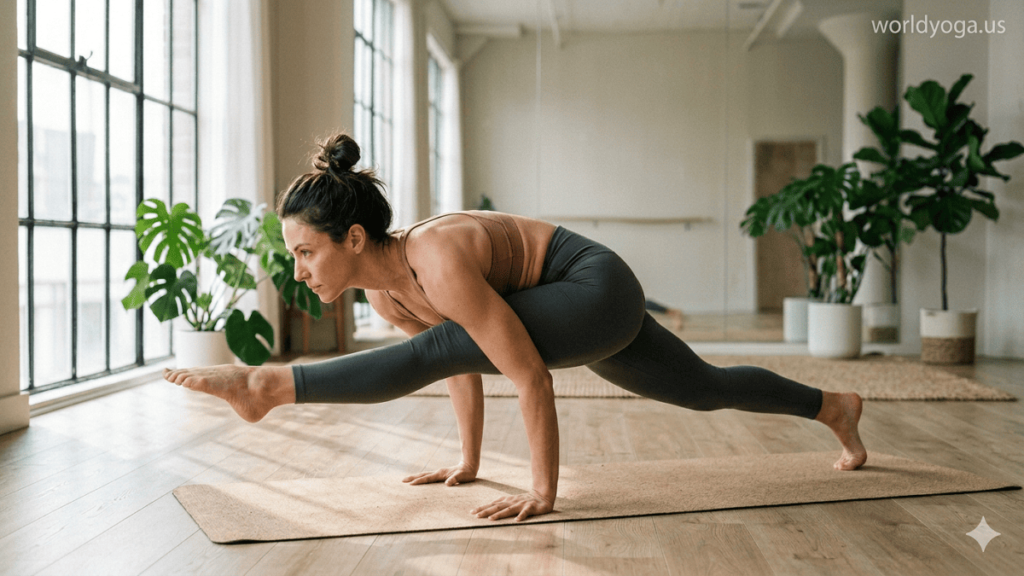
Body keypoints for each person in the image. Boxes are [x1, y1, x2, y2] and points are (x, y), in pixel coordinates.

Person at [163, 133, 867, 523]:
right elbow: (461, 366)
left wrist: (543, 490)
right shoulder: (388, 299)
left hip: (594, 286)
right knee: (704, 388)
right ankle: (834, 408)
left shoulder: (433, 258)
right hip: (580, 309)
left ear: (352, 237)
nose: (299, 270)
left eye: (305, 252)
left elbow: (525, 374)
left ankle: (268, 385)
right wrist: (469, 464)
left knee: (445, 345)